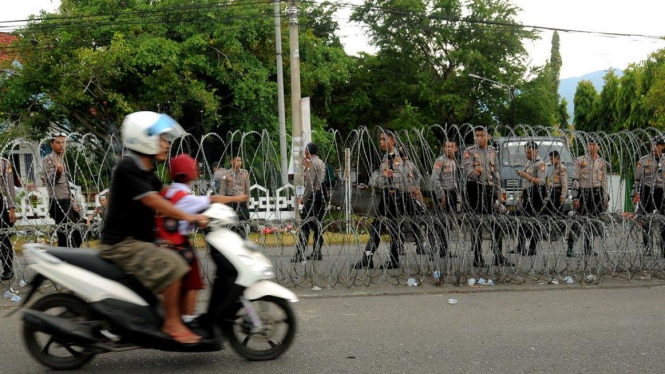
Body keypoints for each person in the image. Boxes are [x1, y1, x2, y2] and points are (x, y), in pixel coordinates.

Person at [99, 111, 209, 344]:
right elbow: (155, 201)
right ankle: (172, 323)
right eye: (160, 138)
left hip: (139, 241)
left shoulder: (145, 169)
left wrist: (206, 204)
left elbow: (167, 192)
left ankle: (170, 316)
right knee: (172, 264)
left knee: (176, 259)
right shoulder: (128, 167)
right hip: (122, 244)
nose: (166, 144)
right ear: (143, 138)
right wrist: (189, 215)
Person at [156, 154, 248, 319]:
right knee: (193, 281)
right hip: (178, 246)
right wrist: (237, 198)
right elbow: (212, 199)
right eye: (194, 168)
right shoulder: (185, 197)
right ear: (189, 173)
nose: (197, 171)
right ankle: (189, 317)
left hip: (164, 244)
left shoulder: (169, 192)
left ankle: (179, 314)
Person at [354, 130, 414, 270]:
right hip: (386, 197)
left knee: (394, 229)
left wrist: (386, 181)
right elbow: (381, 179)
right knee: (376, 228)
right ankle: (367, 258)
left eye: (383, 139)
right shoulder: (385, 158)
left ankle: (393, 259)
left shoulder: (399, 159)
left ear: (392, 140)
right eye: (380, 139)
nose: (380, 142)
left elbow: (399, 178)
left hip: (396, 197)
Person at [463, 126, 511, 267]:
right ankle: (478, 258)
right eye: (477, 135)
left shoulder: (492, 152)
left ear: (487, 136)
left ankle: (498, 256)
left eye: (482, 135)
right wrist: (475, 172)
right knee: (477, 223)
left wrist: (499, 193)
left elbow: (495, 174)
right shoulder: (469, 152)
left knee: (496, 222)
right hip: (475, 188)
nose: (479, 138)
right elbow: (467, 171)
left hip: (489, 190)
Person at [570, 136, 610, 257]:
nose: (591, 147)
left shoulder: (602, 163)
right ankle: (570, 247)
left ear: (599, 147)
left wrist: (605, 198)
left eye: (594, 145)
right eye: (589, 144)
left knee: (592, 222)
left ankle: (588, 247)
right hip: (584, 192)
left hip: (597, 193)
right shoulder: (580, 160)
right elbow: (575, 179)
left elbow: (603, 182)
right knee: (578, 221)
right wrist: (575, 197)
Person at [43, 132, 83, 248]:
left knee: (71, 233)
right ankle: (66, 259)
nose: (61, 145)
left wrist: (73, 201)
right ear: (51, 144)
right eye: (58, 142)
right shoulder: (49, 160)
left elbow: (65, 186)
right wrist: (58, 172)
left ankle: (65, 259)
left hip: (67, 201)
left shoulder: (61, 160)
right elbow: (51, 181)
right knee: (68, 234)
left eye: (64, 142)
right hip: (58, 202)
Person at [292, 143, 327, 262]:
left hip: (313, 196)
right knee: (318, 224)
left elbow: (310, 184)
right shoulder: (320, 162)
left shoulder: (312, 163)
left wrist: (304, 198)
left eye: (305, 150)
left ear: (308, 151)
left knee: (305, 225)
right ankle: (317, 252)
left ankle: (299, 253)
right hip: (321, 195)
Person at [631, 136, 665, 257]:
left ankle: (663, 248)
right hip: (647, 191)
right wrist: (634, 194)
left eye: (657, 146)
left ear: (662, 146)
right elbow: (637, 179)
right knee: (646, 220)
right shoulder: (644, 160)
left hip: (661, 192)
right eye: (653, 145)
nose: (655, 148)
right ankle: (647, 247)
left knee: (663, 221)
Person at [513, 141, 547, 256]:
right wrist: (521, 195)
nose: (527, 154)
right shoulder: (528, 162)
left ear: (535, 151)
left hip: (536, 195)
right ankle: (520, 245)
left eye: (529, 152)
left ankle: (532, 247)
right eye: (526, 152)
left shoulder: (540, 163)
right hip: (527, 194)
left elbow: (541, 181)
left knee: (534, 221)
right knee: (523, 220)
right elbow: (525, 182)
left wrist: (526, 175)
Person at [430, 140, 460, 258]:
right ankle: (434, 249)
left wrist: (458, 197)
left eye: (451, 146)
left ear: (456, 148)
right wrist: (441, 195)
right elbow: (434, 179)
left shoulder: (454, 162)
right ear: (443, 148)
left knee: (448, 224)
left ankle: (444, 249)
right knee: (439, 223)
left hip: (452, 194)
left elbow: (455, 181)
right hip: (443, 194)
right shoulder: (440, 161)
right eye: (446, 146)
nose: (449, 149)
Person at [219, 156, 250, 239]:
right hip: (231, 201)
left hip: (241, 201)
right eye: (236, 160)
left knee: (242, 222)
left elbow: (247, 189)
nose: (239, 162)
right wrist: (221, 204)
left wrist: (247, 202)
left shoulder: (245, 173)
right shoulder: (225, 174)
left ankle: (243, 239)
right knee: (231, 224)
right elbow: (222, 190)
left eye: (240, 160)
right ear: (231, 161)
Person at [0, 156, 16, 280]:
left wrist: (11, 207)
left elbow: (9, 187)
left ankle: (7, 268)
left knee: (3, 237)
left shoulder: (4, 163)